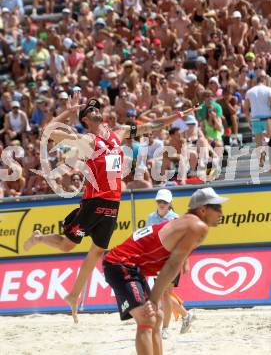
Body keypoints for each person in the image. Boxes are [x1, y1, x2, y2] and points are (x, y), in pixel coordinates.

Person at [24, 93, 196, 323]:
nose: (97, 111)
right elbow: (48, 131)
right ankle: (39, 239)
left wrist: (176, 117)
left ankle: (74, 295)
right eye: (91, 110)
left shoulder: (118, 134)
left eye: (97, 108)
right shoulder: (85, 140)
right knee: (67, 246)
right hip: (94, 202)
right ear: (85, 119)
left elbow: (151, 126)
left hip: (113, 203)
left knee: (96, 253)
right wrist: (69, 111)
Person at [103, 187, 229, 355]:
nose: (221, 212)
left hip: (131, 265)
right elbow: (172, 265)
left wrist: (154, 300)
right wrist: (154, 299)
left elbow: (171, 263)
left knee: (158, 317)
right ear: (203, 210)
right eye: (217, 208)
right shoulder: (197, 226)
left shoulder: (184, 221)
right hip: (121, 264)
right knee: (148, 318)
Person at [146, 189, 193, 339]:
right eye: (159, 201)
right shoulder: (151, 218)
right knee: (164, 294)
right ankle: (186, 315)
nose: (161, 204)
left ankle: (166, 328)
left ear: (170, 203)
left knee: (165, 294)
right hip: (157, 260)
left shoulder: (175, 219)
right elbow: (148, 239)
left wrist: (186, 261)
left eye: (165, 202)